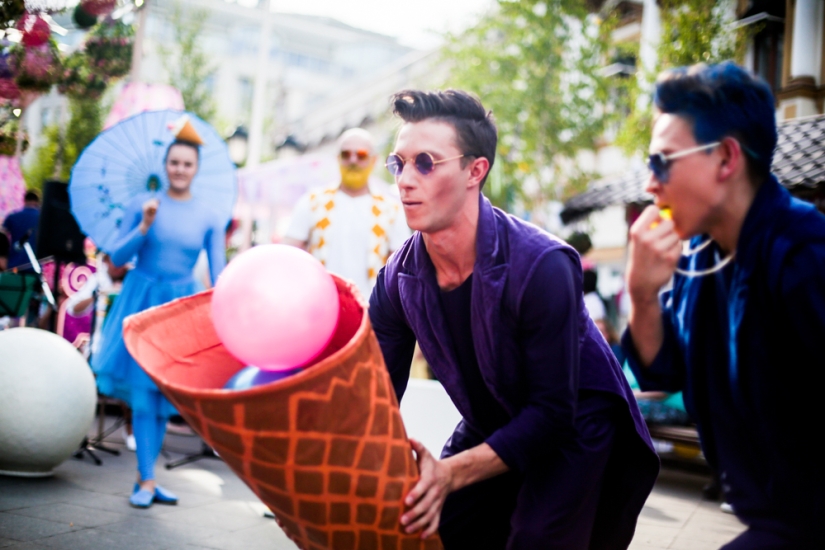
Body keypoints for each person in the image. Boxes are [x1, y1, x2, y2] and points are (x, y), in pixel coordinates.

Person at [369, 89, 658, 549]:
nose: (404, 180)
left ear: (475, 171)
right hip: (493, 421)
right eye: (397, 163)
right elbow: (376, 397)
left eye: (425, 163)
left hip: (574, 427)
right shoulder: (395, 278)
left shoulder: (542, 265)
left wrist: (451, 472)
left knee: (535, 540)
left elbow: (552, 413)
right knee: (424, 528)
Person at [623, 62, 825, 548]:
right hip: (771, 518)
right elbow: (662, 372)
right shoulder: (698, 256)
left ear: (726, 158)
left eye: (661, 162)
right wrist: (642, 295)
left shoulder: (805, 254)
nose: (650, 184)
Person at [91, 125, 227, 509]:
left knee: (163, 392)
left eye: (187, 164)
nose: (180, 169)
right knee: (142, 392)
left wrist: (226, 310)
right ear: (165, 165)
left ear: (196, 168)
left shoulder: (210, 216)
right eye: (174, 162)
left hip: (178, 308)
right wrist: (144, 225)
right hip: (141, 302)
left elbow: (219, 273)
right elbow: (117, 260)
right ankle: (147, 479)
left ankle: (146, 477)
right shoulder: (143, 204)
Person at [283, 128, 409, 299]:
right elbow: (289, 256)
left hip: (370, 307)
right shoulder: (312, 202)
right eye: (346, 154)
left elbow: (399, 269)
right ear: (338, 159)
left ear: (374, 160)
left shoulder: (391, 210)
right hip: (321, 301)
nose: (353, 160)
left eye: (361, 155)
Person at [2, 190, 40, 270]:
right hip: (35, 266)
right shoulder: (42, 218)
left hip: (13, 265)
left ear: (25, 200)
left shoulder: (12, 216)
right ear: (37, 202)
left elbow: (2, 236)